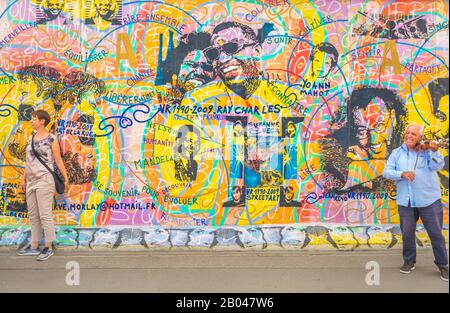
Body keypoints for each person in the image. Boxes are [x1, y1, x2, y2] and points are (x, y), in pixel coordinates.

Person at [383, 124, 448, 282]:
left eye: (413, 134)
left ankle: (443, 264)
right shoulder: (397, 153)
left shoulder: (427, 151)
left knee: (436, 234)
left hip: (428, 200)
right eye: (407, 133)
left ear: (420, 137)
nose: (409, 136)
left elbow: (437, 165)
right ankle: (409, 261)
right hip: (406, 201)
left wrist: (434, 150)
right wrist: (402, 173)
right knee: (407, 234)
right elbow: (386, 171)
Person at [17, 110, 69, 261]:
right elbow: (28, 160)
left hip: (45, 180)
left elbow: (58, 161)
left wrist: (66, 179)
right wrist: (23, 179)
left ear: (42, 121)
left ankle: (48, 247)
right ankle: (34, 246)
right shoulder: (31, 138)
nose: (31, 121)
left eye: (34, 119)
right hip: (31, 181)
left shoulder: (52, 139)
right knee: (33, 215)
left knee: (45, 214)